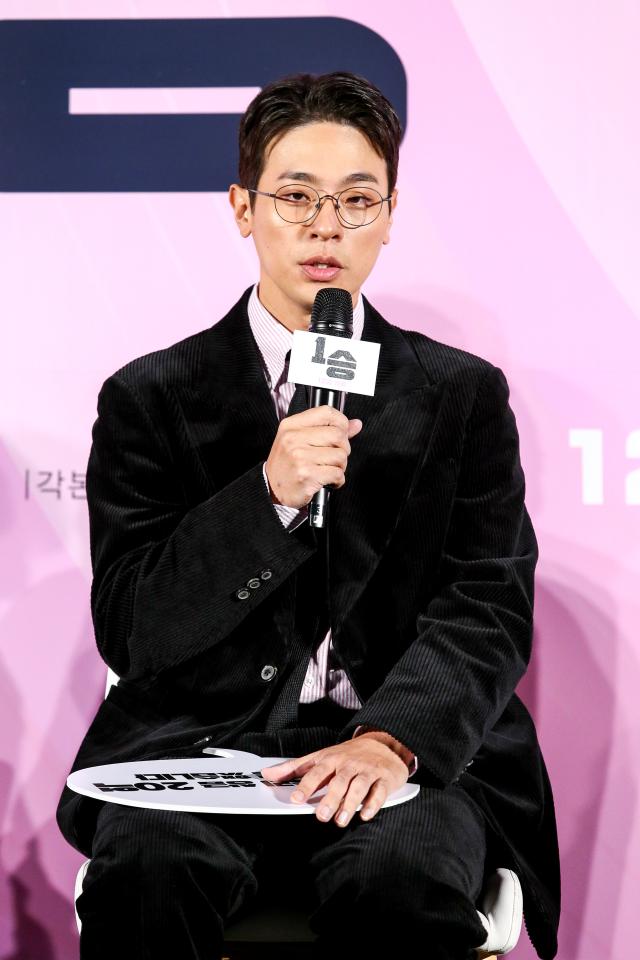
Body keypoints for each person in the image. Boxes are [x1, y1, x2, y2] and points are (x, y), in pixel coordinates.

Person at [56, 72, 560, 960]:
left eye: (356, 200)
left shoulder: (460, 397)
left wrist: (392, 738)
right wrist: (267, 499)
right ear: (243, 207)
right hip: (205, 753)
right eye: (296, 196)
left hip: (396, 757)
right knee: (147, 868)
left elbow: (487, 602)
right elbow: (133, 627)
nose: (326, 226)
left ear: (391, 214)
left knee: (400, 880)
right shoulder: (152, 397)